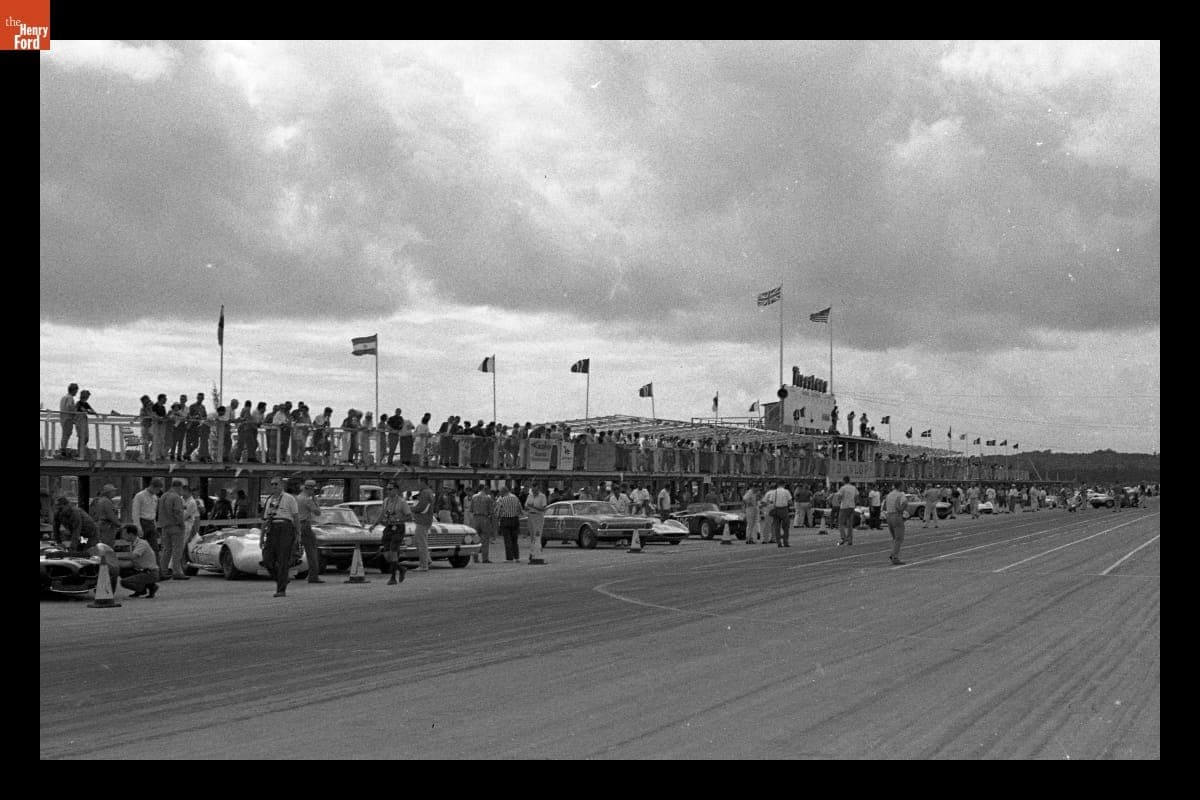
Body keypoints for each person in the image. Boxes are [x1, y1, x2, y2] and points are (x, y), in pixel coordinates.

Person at [260, 477, 299, 597]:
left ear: (281, 485)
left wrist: (298, 534)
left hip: (285, 527)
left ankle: (281, 589)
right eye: (272, 484)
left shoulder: (289, 498)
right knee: (267, 559)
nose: (274, 486)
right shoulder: (269, 500)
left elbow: (296, 517)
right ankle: (282, 579)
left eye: (276, 484)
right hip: (272, 528)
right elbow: (265, 520)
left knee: (283, 559)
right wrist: (261, 537)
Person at [381, 481, 415, 584]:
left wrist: (399, 520)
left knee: (393, 552)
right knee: (387, 555)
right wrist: (375, 524)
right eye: (387, 489)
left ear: (396, 490)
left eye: (390, 489)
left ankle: (393, 578)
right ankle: (401, 569)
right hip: (389, 527)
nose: (388, 491)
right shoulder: (386, 501)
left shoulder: (402, 502)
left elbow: (409, 516)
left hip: (398, 527)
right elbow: (382, 514)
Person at [156, 479, 189, 581]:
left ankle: (162, 570)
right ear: (179, 487)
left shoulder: (163, 496)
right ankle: (177, 571)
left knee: (166, 549)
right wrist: (182, 524)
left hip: (164, 526)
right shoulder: (176, 497)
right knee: (177, 550)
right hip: (175, 526)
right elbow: (178, 512)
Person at [119, 523, 161, 598]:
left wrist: (117, 557)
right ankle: (148, 586)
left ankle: (143, 588)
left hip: (150, 572)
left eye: (124, 534)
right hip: (143, 570)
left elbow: (133, 556)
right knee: (123, 571)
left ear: (131, 534)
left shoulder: (142, 544)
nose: (122, 536)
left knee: (124, 582)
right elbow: (133, 563)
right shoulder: (134, 544)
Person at [296, 480, 325, 583]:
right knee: (312, 551)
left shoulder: (298, 498)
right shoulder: (307, 500)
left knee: (294, 550)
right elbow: (318, 512)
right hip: (305, 525)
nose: (314, 492)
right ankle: (313, 576)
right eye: (313, 490)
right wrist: (316, 501)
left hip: (297, 525)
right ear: (310, 489)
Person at [131, 478, 163, 553]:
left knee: (154, 547)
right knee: (140, 547)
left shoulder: (155, 497)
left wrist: (154, 524)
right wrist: (138, 527)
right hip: (142, 522)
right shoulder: (139, 496)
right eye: (157, 489)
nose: (158, 491)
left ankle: (155, 560)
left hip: (151, 523)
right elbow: (135, 512)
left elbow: (153, 511)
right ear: (152, 486)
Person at [411, 478, 436, 573]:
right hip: (425, 520)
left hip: (422, 520)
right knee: (418, 541)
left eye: (419, 482)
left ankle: (423, 565)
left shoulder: (425, 493)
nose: (418, 484)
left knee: (421, 543)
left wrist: (412, 509)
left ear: (423, 482)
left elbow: (422, 507)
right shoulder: (428, 492)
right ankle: (427, 560)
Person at [496, 484, 523, 562]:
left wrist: (498, 518)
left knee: (507, 540)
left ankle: (509, 558)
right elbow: (520, 509)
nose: (500, 493)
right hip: (515, 520)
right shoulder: (515, 498)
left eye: (500, 492)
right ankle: (517, 557)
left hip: (505, 520)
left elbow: (498, 511)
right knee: (514, 540)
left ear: (503, 492)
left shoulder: (501, 499)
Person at [470, 485, 496, 563]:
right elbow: (491, 511)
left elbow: (471, 509)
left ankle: (475, 558)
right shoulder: (488, 498)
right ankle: (485, 558)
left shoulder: (474, 497)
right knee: (485, 539)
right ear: (486, 489)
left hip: (475, 518)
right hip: (484, 518)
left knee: (475, 538)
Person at [883, 482, 908, 565]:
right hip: (896, 516)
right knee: (899, 538)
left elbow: (884, 506)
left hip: (889, 516)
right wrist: (902, 510)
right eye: (903, 486)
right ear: (900, 486)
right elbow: (903, 504)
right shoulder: (901, 494)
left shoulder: (889, 494)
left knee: (895, 538)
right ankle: (894, 556)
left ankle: (893, 553)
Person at [763, 480, 792, 547]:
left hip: (776, 509)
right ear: (784, 484)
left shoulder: (774, 492)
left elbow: (771, 501)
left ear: (778, 484)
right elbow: (790, 501)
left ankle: (778, 542)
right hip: (784, 509)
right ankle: (785, 541)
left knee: (777, 526)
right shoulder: (786, 491)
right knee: (786, 527)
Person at [525, 483, 547, 564]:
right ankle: (532, 553)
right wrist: (528, 507)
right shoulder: (529, 496)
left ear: (538, 489)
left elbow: (543, 508)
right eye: (533, 490)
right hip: (530, 516)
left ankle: (537, 555)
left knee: (537, 536)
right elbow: (526, 506)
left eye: (535, 490)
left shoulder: (542, 496)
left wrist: (533, 506)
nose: (534, 491)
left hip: (538, 517)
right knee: (532, 537)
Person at [58, 383, 80, 457]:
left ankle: (63, 449)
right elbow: (69, 406)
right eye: (76, 391)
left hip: (63, 418)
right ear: (73, 390)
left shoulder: (64, 397)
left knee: (65, 434)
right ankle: (63, 451)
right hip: (68, 418)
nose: (76, 392)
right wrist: (76, 409)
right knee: (67, 434)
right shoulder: (70, 398)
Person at [74, 389, 97, 460]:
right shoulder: (78, 403)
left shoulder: (86, 404)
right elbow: (83, 410)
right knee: (81, 437)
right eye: (87, 396)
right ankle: (79, 453)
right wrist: (89, 411)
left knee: (86, 438)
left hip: (84, 421)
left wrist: (94, 413)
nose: (87, 397)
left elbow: (91, 410)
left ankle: (80, 452)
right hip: (79, 421)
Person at [836, 475, 858, 546]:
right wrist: (854, 503)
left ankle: (844, 538)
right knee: (850, 524)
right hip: (851, 506)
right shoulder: (853, 488)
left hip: (844, 507)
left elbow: (839, 496)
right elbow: (857, 496)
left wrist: (839, 500)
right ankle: (850, 540)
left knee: (841, 523)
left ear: (844, 481)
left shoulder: (843, 488)